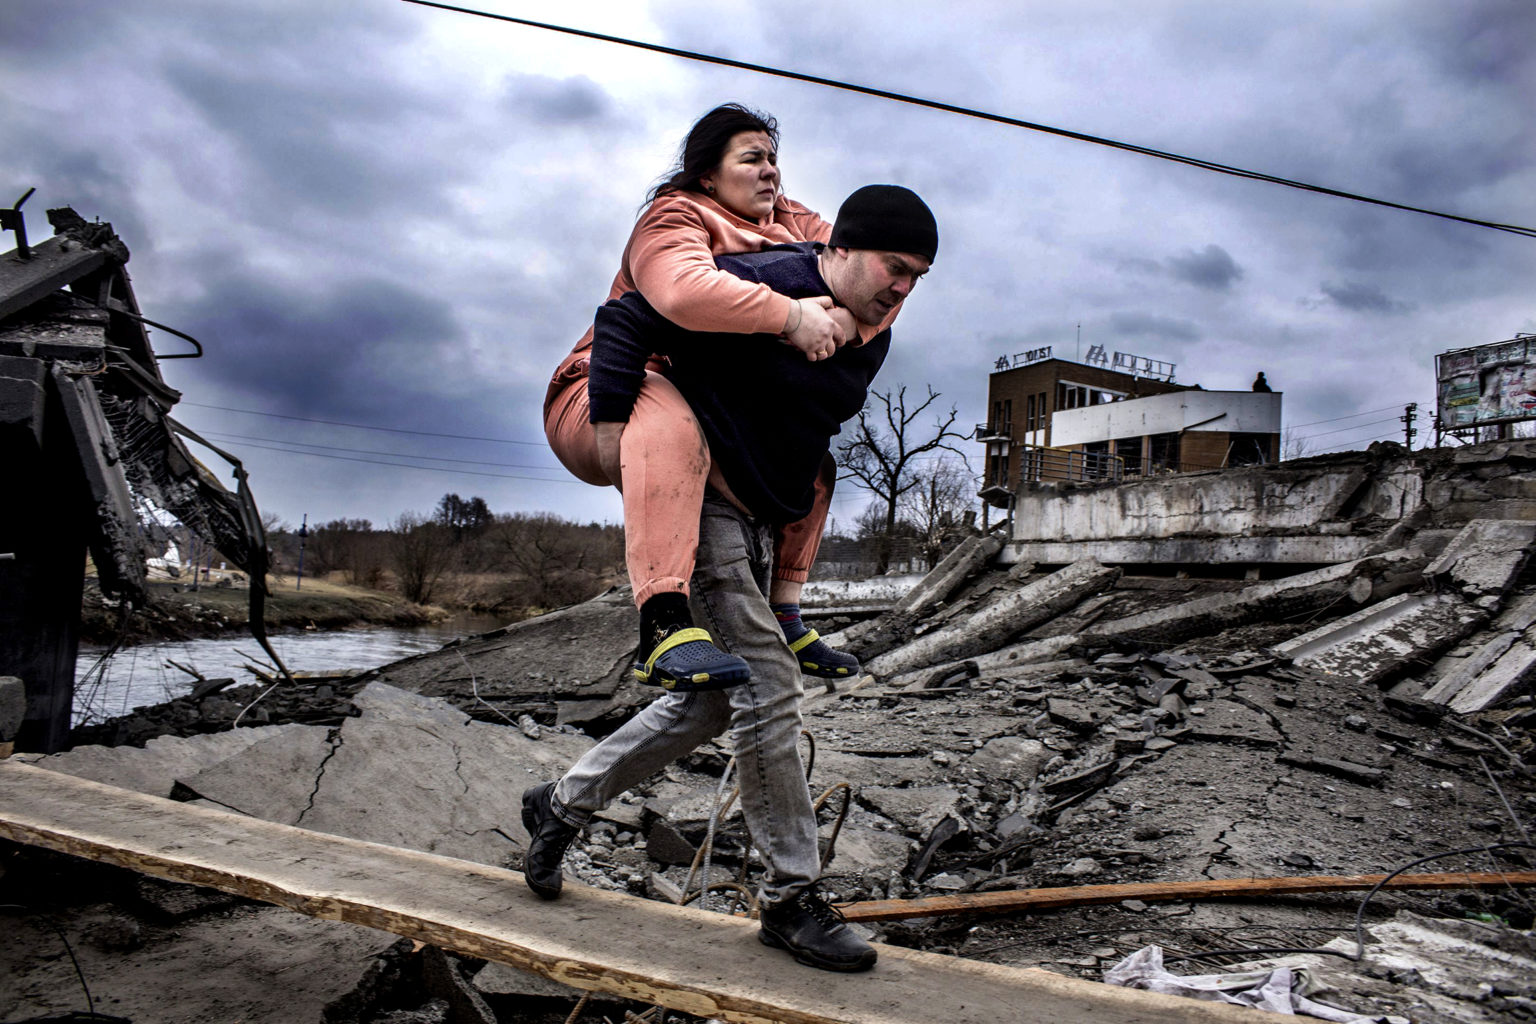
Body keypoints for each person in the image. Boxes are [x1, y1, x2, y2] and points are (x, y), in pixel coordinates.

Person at [523, 185, 938, 973]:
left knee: (716, 701)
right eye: (894, 267)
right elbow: (629, 317)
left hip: (756, 522)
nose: (904, 288)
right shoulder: (773, 280)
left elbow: (805, 433)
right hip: (701, 500)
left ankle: (562, 802)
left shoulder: (873, 331)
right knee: (772, 689)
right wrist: (617, 429)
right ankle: (789, 897)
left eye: (918, 276)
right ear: (840, 250)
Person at [544, 104, 899, 692]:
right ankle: (661, 624)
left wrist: (841, 318)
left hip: (705, 408)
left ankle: (788, 612)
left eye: (775, 160)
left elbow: (871, 276)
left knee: (815, 468)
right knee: (664, 410)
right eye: (753, 159)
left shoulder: (793, 220)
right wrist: (790, 316)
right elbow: (682, 294)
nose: (772, 173)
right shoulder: (673, 217)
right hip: (606, 387)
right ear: (708, 174)